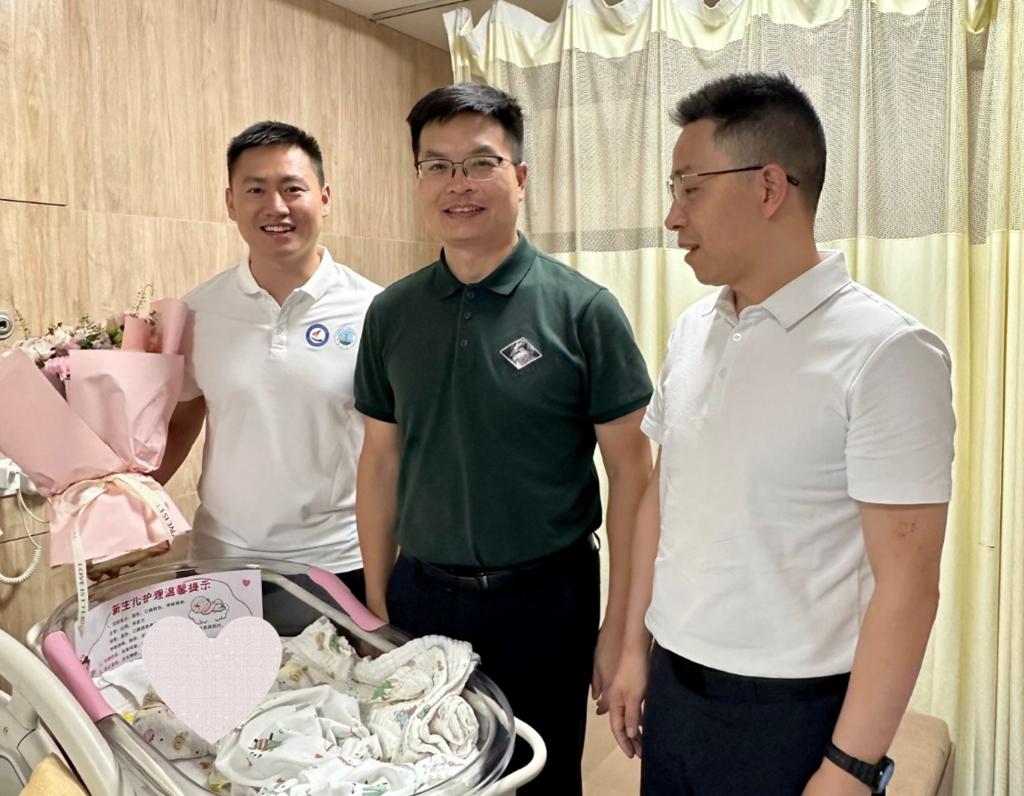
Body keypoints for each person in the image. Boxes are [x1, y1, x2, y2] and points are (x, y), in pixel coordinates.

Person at [607, 72, 956, 796]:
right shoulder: (693, 329)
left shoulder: (887, 353)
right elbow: (661, 498)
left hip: (789, 717)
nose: (672, 216)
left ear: (769, 187)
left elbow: (909, 587)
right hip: (674, 691)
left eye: (689, 188)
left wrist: (851, 767)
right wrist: (636, 648)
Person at [354, 82, 653, 795]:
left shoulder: (584, 311)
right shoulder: (391, 313)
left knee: (542, 781)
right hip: (423, 596)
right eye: (437, 165)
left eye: (480, 163)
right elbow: (380, 462)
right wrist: (376, 602)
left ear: (519, 177)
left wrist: (621, 628)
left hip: (546, 601)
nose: (458, 183)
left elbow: (633, 477)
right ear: (418, 180)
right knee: (426, 779)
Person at [156, 121, 380, 632]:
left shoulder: (375, 310)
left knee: (331, 687)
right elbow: (182, 419)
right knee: (226, 687)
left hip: (338, 561)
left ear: (324, 199)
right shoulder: (198, 311)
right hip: (222, 561)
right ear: (230, 202)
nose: (276, 207)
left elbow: (394, 448)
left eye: (292, 189)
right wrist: (121, 515)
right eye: (255, 190)